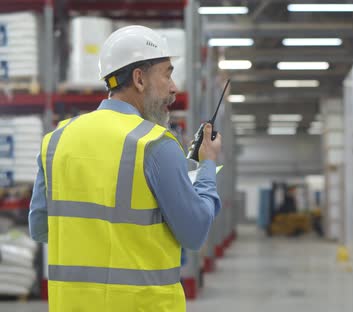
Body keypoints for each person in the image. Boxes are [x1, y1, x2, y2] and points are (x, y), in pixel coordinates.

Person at [28, 25, 222, 311]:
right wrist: (207, 165)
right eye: (167, 73)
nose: (173, 87)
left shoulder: (57, 139)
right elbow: (194, 232)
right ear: (139, 79)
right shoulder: (155, 144)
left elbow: (41, 228)